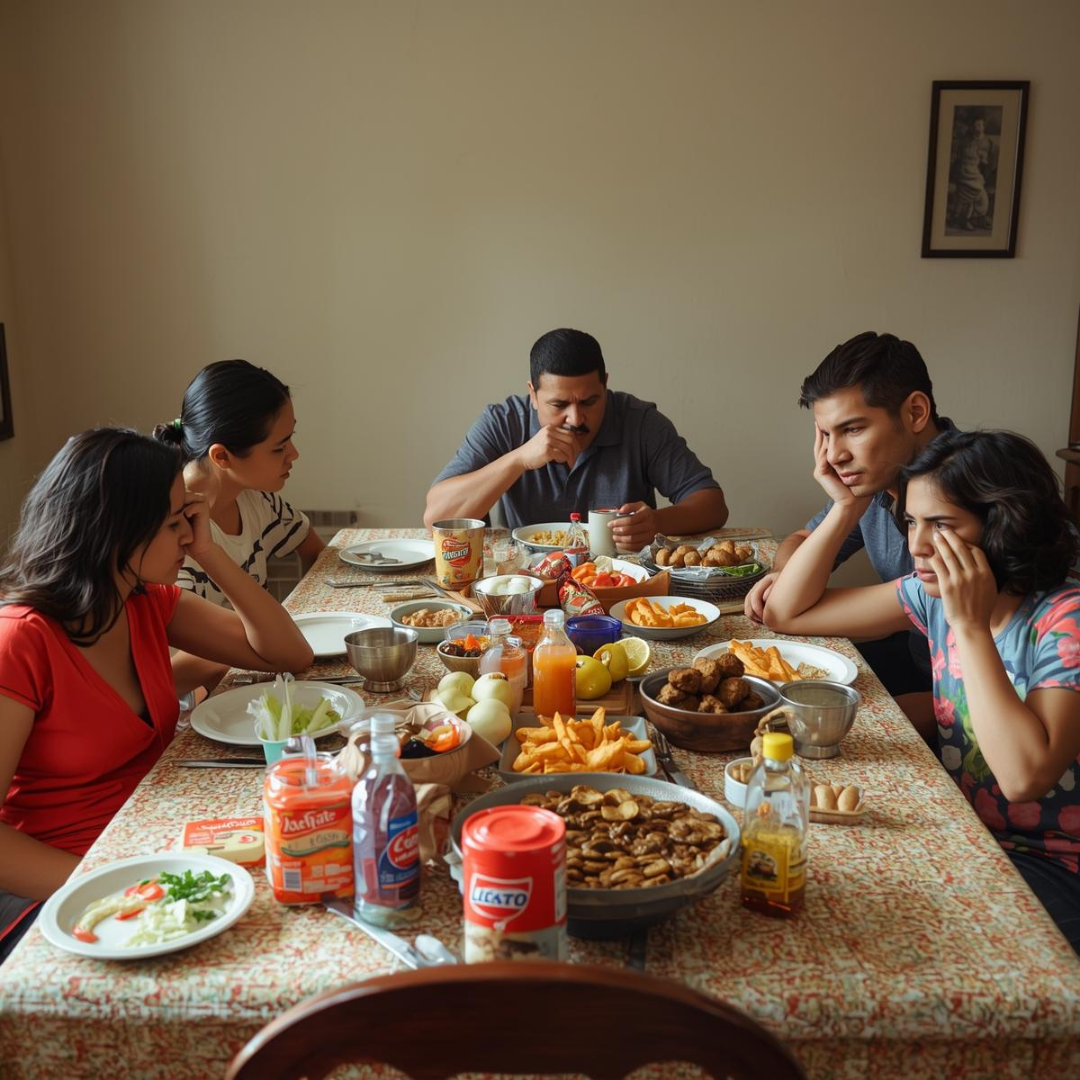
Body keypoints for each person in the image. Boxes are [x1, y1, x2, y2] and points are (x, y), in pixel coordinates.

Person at [0, 429, 314, 961]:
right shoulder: (20, 640)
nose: (188, 537)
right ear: (117, 531)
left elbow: (288, 653)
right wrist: (120, 882)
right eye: (174, 525)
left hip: (151, 840)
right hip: (66, 885)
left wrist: (211, 553)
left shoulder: (143, 600)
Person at [763, 429, 1080, 952]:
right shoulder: (932, 594)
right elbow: (786, 613)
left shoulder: (1065, 619)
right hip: (965, 830)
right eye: (912, 522)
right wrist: (846, 504)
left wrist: (969, 626)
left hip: (1051, 863)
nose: (917, 546)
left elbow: (1024, 777)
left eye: (942, 525)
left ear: (1004, 526)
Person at [745, 331, 955, 707]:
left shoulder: (968, 497)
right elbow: (798, 542)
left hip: (968, 694)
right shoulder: (877, 480)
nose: (833, 455)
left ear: (915, 413)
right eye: (826, 435)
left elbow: (783, 611)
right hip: (921, 665)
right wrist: (843, 511)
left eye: (853, 429)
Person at [423, 328, 728, 551]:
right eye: (559, 405)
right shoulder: (503, 422)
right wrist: (518, 460)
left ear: (605, 385)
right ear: (532, 394)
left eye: (589, 402)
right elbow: (436, 518)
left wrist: (658, 522)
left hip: (622, 578)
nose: (576, 419)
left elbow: (713, 505)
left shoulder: (640, 422)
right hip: (529, 580)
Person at [153, 360, 324, 695]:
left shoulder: (257, 500)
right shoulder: (173, 533)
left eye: (291, 438)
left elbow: (316, 551)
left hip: (253, 674)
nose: (294, 454)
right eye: (279, 447)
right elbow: (171, 675)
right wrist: (262, 637)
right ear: (222, 457)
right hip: (193, 706)